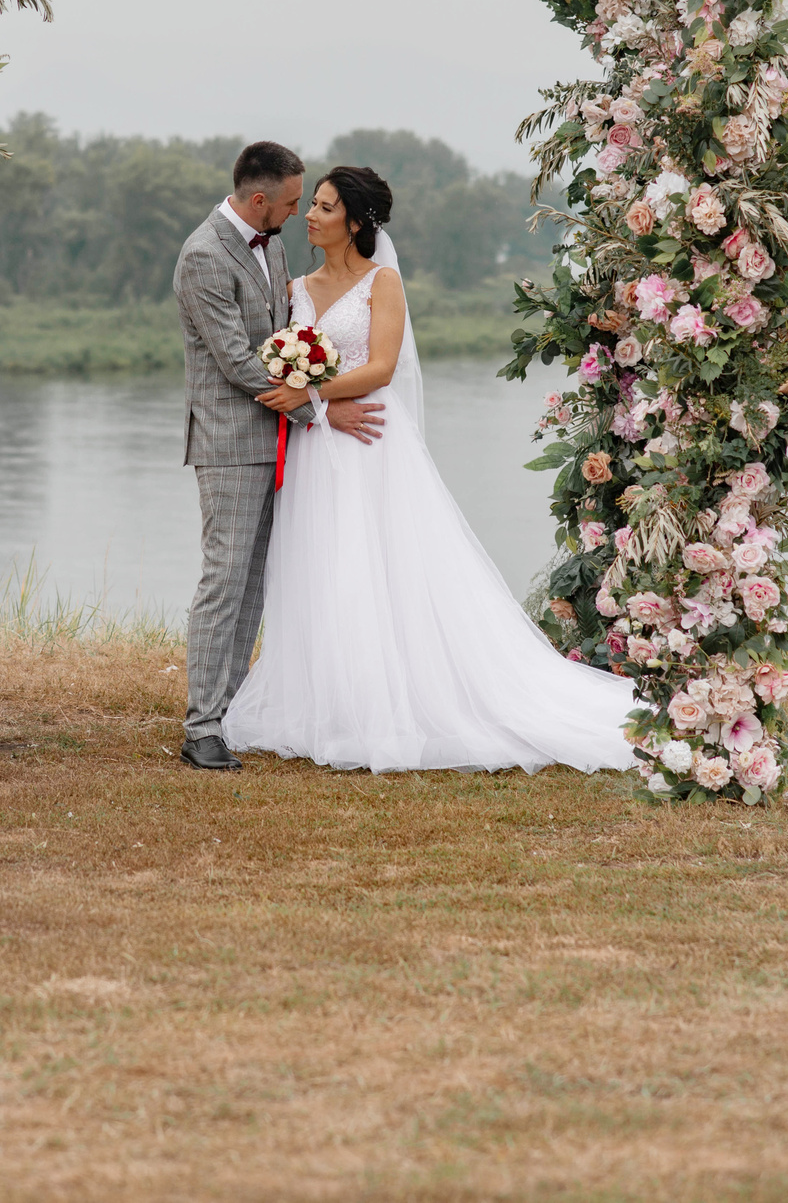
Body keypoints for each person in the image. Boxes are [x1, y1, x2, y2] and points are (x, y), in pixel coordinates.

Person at [223, 166, 639, 774]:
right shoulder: (297, 287)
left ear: (356, 221)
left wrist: (314, 397)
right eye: (310, 204)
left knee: (381, 560)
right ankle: (327, 699)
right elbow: (290, 364)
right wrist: (317, 407)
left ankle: (396, 700)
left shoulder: (382, 281)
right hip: (321, 443)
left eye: (325, 207)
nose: (310, 215)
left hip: (371, 439)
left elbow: (383, 367)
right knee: (324, 558)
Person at [170, 142, 385, 772]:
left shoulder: (272, 242)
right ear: (259, 199)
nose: (297, 214)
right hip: (232, 445)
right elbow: (239, 360)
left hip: (280, 440)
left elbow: (281, 339)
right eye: (292, 203)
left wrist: (310, 395)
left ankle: (229, 711)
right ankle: (201, 728)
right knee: (224, 582)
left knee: (255, 585)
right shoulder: (204, 256)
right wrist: (320, 408)